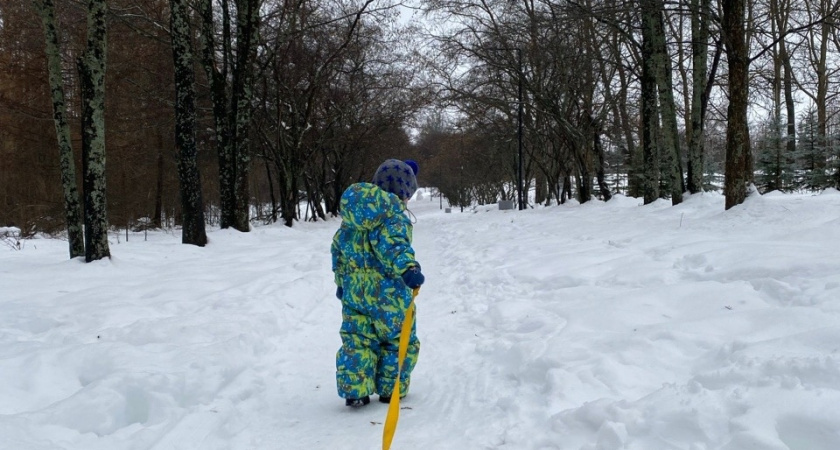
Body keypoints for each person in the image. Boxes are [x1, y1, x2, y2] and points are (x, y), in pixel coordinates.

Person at [331, 159, 425, 407]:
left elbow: (338, 252)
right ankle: (389, 390)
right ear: (403, 194)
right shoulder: (392, 218)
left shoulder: (350, 219)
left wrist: (341, 282)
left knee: (356, 341)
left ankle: (356, 390)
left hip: (355, 296)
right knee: (396, 342)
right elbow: (394, 246)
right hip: (389, 297)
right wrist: (409, 268)